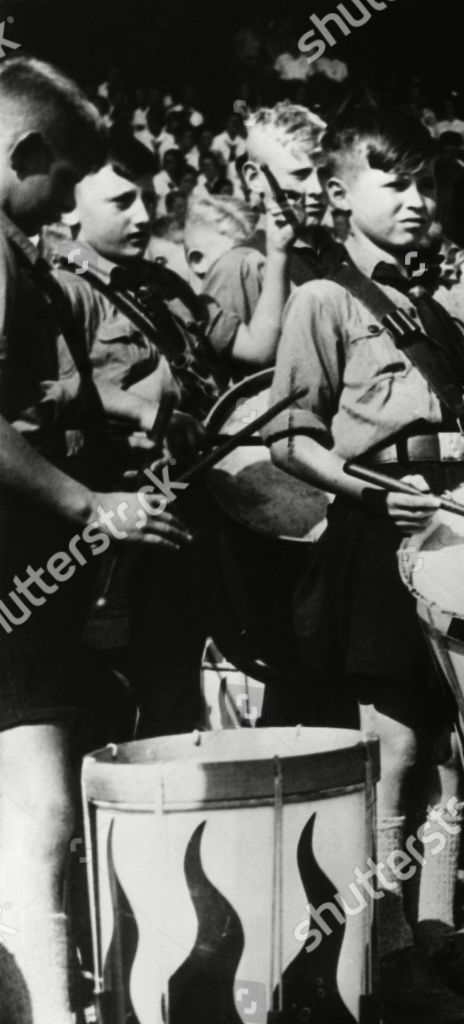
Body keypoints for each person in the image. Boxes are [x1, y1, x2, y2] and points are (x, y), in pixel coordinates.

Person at [266, 108, 464, 1023]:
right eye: (394, 183)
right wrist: (369, 494)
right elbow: (290, 441)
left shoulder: (429, 307)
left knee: (455, 747)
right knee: (394, 747)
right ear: (340, 194)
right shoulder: (324, 297)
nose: (418, 201)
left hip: (454, 530)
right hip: (376, 528)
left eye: (427, 185)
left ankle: (438, 937)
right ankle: (384, 955)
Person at [0, 57, 192, 1024]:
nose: (71, 197)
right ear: (25, 157)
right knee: (33, 814)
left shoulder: (20, 251)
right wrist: (91, 504)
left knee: (35, 806)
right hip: (15, 557)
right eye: (64, 173)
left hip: (31, 560)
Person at [49, 133, 227, 735]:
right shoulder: (62, 291)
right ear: (70, 207)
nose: (145, 216)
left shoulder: (161, 285)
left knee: (180, 689)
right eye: (123, 201)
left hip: (190, 505)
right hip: (118, 518)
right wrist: (146, 414)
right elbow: (51, 397)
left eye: (148, 199)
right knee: (120, 697)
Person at [198, 101, 334, 381]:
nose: (317, 189)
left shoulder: (334, 251)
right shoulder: (238, 267)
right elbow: (227, 381)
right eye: (300, 174)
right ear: (253, 179)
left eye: (323, 173)